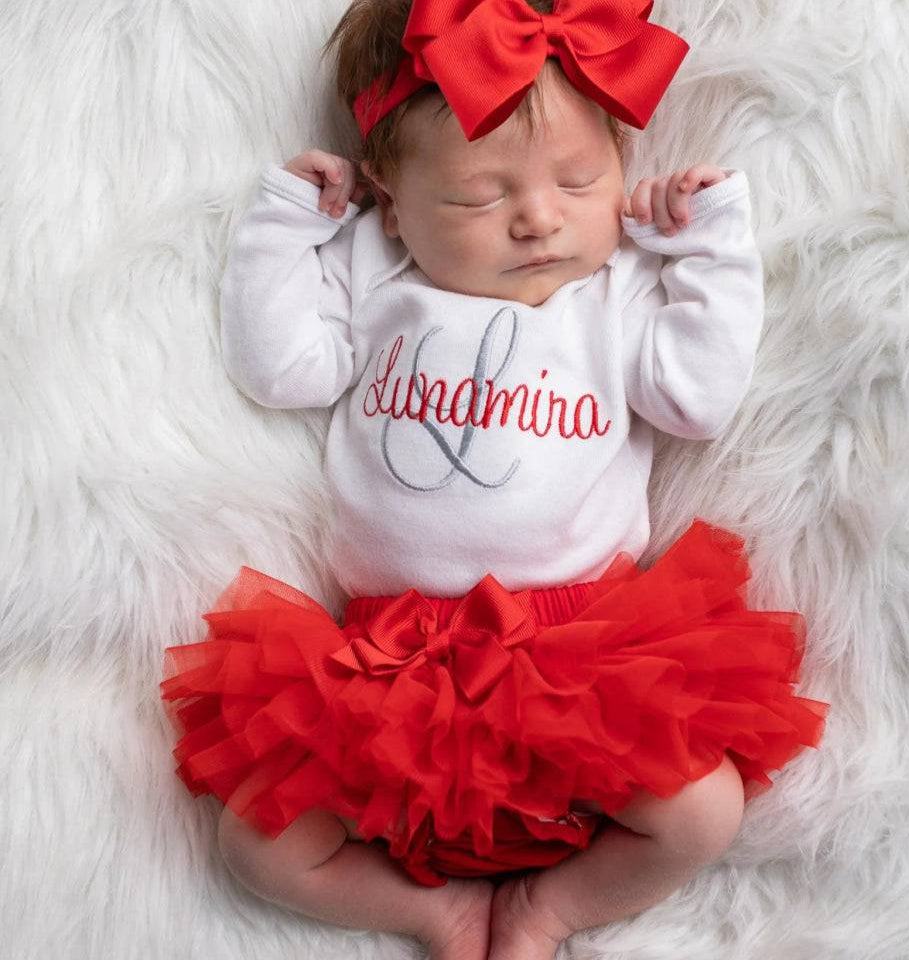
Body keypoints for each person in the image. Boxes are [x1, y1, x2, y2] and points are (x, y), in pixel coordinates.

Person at [159, 1, 830, 958]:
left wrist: (711, 247)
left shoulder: (616, 289)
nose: (539, 217)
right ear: (393, 204)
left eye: (580, 178)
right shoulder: (379, 270)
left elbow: (699, 400)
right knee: (256, 841)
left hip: (587, 651)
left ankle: (548, 910)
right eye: (479, 197)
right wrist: (281, 229)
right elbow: (279, 371)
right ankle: (430, 913)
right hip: (385, 670)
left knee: (699, 814)